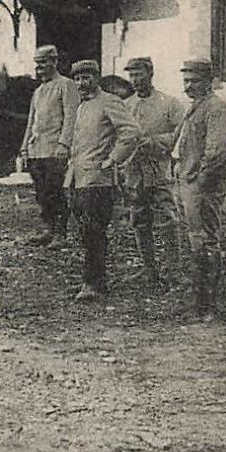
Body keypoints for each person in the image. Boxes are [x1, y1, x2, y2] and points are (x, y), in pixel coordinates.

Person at [62, 61, 139, 300]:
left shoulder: (109, 101)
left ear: (96, 78)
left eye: (86, 78)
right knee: (85, 231)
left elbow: (131, 132)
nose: (81, 84)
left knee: (94, 231)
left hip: (98, 180)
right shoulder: (82, 106)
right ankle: (94, 277)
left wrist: (113, 160)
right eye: (77, 79)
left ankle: (94, 283)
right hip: (78, 177)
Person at [173, 60, 226, 320]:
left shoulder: (216, 108)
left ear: (208, 81)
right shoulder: (196, 107)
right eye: (186, 80)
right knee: (194, 241)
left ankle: (206, 306)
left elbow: (217, 152)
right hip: (187, 182)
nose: (188, 86)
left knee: (205, 241)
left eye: (194, 81)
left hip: (201, 187)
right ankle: (197, 300)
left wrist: (199, 180)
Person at [119, 57, 182, 287]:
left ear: (151, 73)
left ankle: (173, 270)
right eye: (132, 75)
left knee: (167, 218)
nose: (135, 80)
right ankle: (149, 269)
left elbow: (180, 134)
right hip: (134, 172)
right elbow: (119, 135)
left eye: (139, 74)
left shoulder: (169, 103)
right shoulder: (126, 106)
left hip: (158, 170)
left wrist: (156, 142)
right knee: (139, 219)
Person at [20, 45, 80, 248]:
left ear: (54, 62)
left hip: (55, 149)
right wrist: (24, 147)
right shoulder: (38, 91)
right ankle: (49, 229)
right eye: (37, 63)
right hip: (37, 149)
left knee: (55, 191)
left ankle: (60, 233)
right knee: (41, 192)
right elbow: (31, 121)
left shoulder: (66, 85)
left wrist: (64, 143)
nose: (40, 67)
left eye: (44, 63)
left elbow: (71, 116)